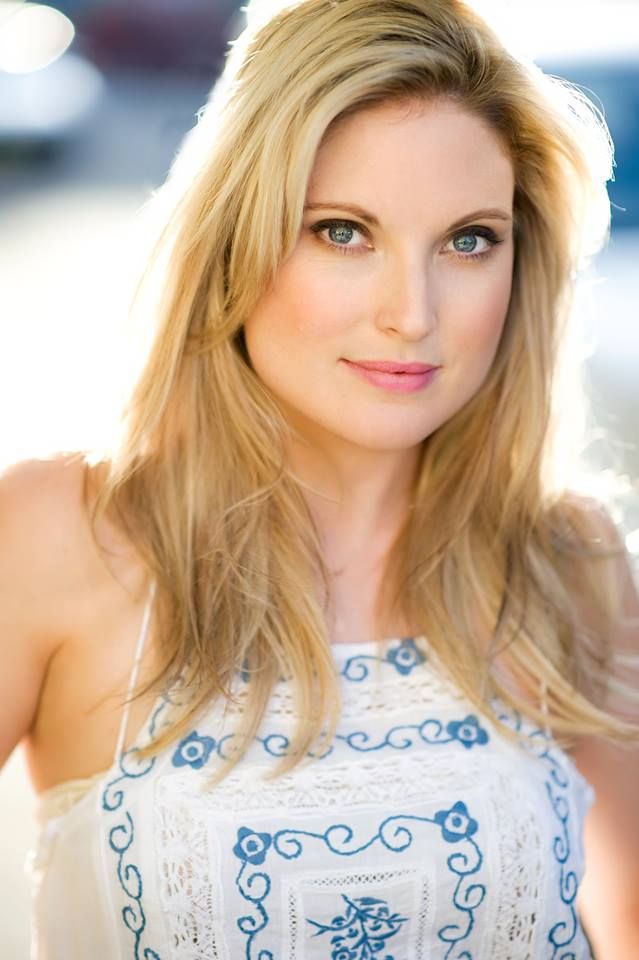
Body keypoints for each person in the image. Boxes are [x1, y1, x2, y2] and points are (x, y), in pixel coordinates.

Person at [1, 0, 638, 956]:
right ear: (234, 243)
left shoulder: (565, 562)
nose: (412, 314)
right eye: (342, 232)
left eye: (468, 240)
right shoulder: (63, 534)